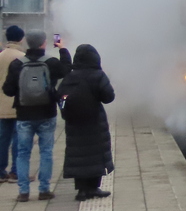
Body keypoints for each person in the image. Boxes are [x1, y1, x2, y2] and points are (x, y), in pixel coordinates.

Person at [3, 30, 71, 201]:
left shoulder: (17, 64)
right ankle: (44, 189)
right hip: (47, 113)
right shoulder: (51, 62)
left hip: (24, 115)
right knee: (46, 152)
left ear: (26, 42)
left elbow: (8, 90)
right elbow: (66, 70)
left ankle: (23, 191)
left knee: (23, 153)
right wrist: (63, 49)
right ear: (43, 43)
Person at [57, 44, 116, 200]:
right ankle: (94, 187)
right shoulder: (98, 75)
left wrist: (66, 111)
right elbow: (108, 97)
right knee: (95, 154)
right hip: (94, 122)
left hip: (74, 123)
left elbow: (60, 96)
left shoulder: (70, 76)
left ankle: (82, 190)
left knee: (78, 155)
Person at [0, 25, 23, 182]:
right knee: (18, 139)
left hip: (1, 105)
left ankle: (1, 172)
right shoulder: (23, 57)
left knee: (2, 138)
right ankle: (16, 171)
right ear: (21, 39)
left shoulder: (0, 56)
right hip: (18, 104)